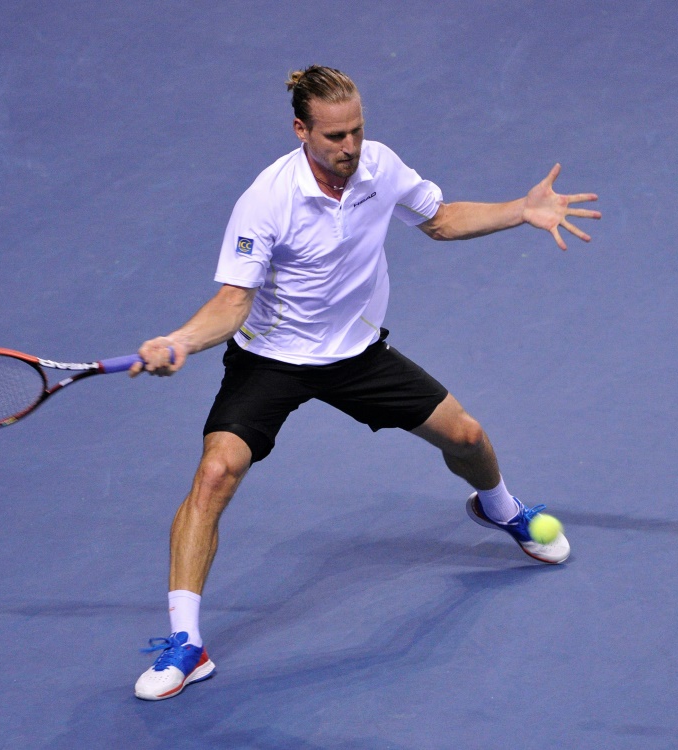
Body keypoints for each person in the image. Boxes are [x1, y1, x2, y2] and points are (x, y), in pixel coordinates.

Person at [129, 65, 601, 701]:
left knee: (467, 436)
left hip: (356, 354)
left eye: (356, 131)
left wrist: (521, 210)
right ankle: (187, 644)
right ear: (301, 130)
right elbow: (233, 302)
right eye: (333, 136)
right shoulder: (265, 201)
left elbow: (438, 219)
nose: (349, 147)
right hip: (272, 358)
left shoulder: (379, 167)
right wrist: (181, 340)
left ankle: (501, 508)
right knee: (214, 475)